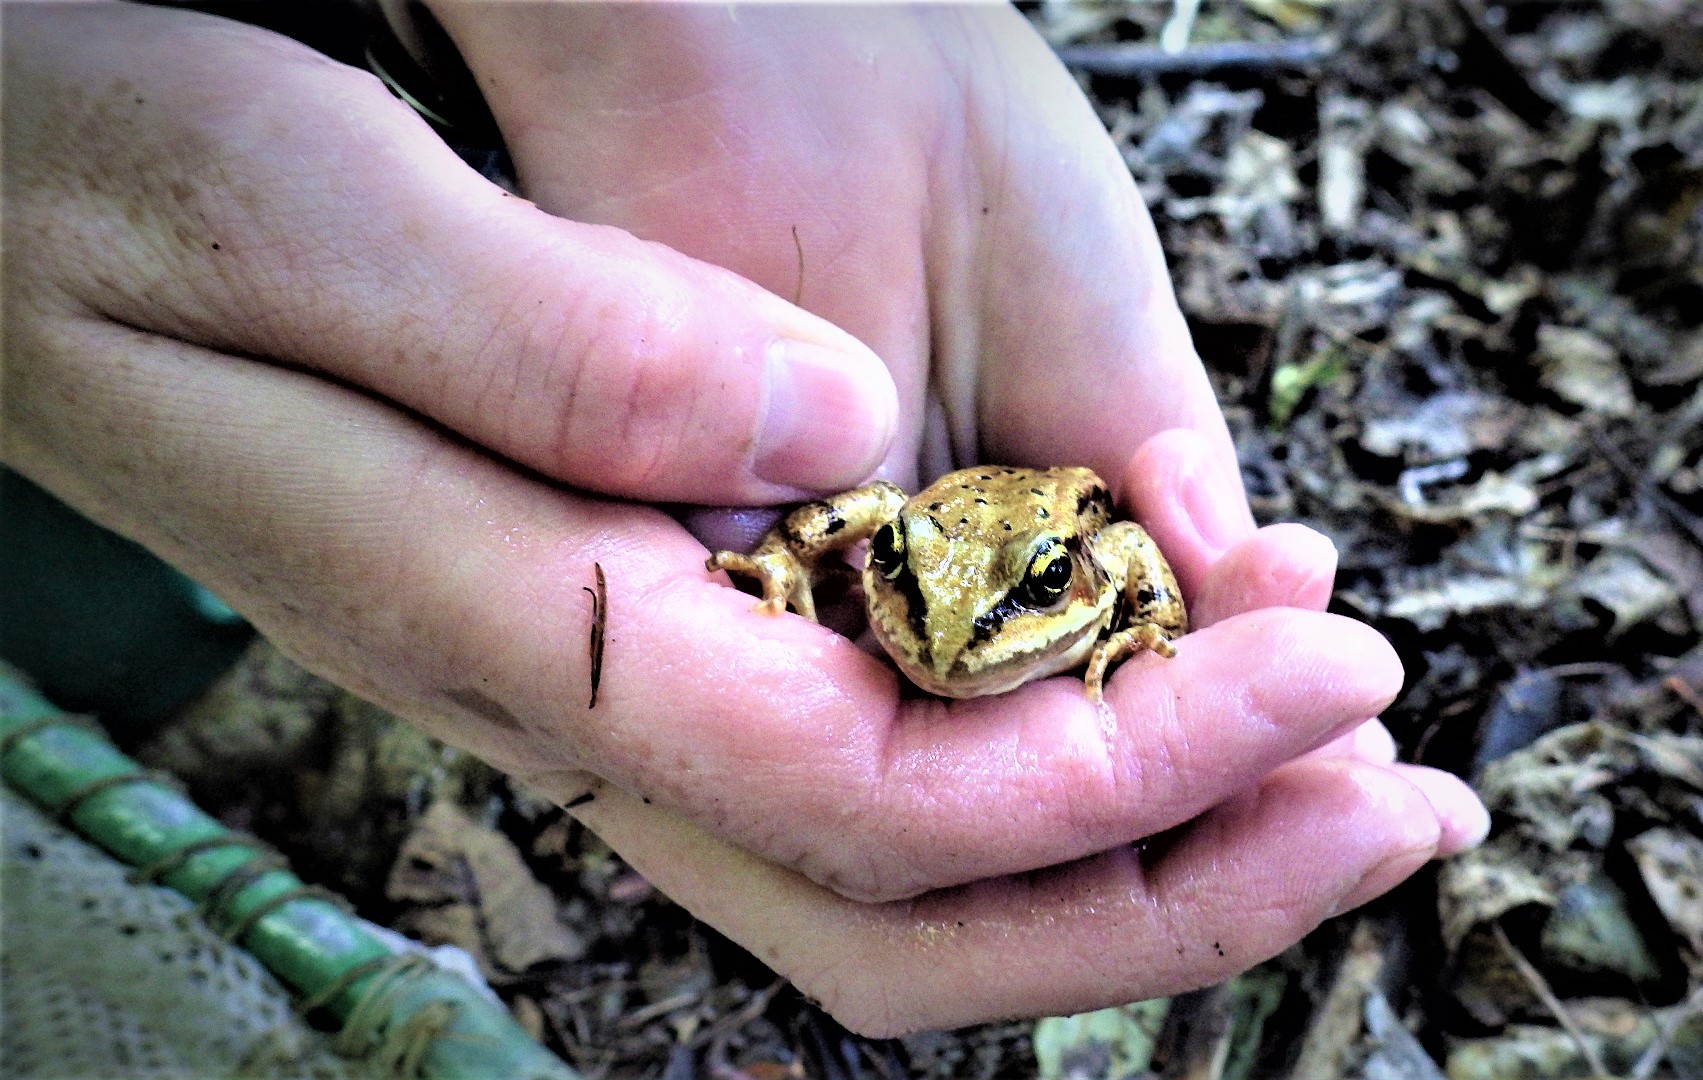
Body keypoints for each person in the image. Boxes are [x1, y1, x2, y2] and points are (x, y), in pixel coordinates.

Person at [2, 3, 1487, 1036]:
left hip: (1015, 522)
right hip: (934, 514)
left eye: (1034, 614)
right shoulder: (895, 548)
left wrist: (1139, 622)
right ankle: (164, 670)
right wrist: (795, 554)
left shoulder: (1086, 567)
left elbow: (1131, 549)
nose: (947, 653)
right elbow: (872, 523)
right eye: (897, 595)